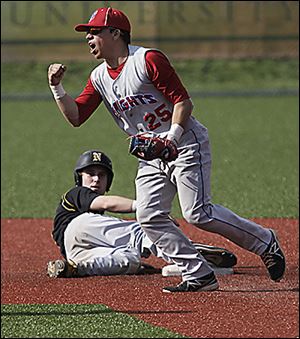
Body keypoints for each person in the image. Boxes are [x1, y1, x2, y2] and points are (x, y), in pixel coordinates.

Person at [47, 7, 285, 292]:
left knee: (198, 213)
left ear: (116, 33)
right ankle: (198, 274)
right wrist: (57, 87)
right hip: (149, 154)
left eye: (95, 31)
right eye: (88, 33)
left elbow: (183, 103)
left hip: (184, 140)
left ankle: (265, 241)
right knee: (148, 216)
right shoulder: (99, 77)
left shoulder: (147, 59)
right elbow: (76, 116)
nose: (89, 37)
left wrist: (171, 138)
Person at [47, 149, 237, 279]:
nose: (96, 179)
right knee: (139, 232)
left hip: (76, 254)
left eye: (102, 175)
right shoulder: (77, 193)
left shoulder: (93, 212)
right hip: (76, 229)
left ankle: (73, 269)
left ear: (108, 180)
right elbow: (106, 202)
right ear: (79, 177)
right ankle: (184, 253)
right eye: (90, 173)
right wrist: (145, 208)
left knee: (131, 259)